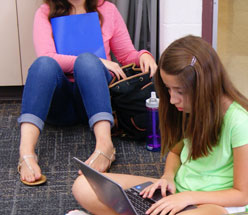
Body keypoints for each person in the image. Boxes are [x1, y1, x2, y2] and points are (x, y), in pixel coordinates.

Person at [59, 35, 248, 215]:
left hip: (219, 206)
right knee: (84, 186)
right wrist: (168, 177)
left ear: (205, 85)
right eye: (168, 90)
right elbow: (175, 152)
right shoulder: (193, 107)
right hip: (178, 193)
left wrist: (186, 199)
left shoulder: (240, 120)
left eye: (179, 92)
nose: (172, 100)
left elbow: (242, 194)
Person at [17, 0, 157, 186]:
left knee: (88, 62)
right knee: (43, 64)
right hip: (61, 105)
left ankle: (105, 146)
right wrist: (100, 61)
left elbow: (125, 55)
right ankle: (26, 154)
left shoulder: (107, 10)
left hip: (96, 100)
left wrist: (143, 55)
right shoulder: (45, 12)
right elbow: (48, 56)